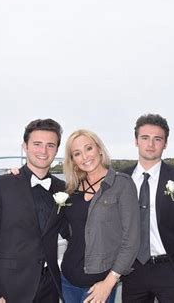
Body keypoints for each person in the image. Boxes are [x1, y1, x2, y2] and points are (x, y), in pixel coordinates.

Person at [0, 118, 66, 303]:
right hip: (10, 289)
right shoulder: (0, 185)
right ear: (25, 146)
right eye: (37, 144)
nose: (43, 151)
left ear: (56, 150)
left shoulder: (62, 188)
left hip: (50, 287)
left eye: (50, 145)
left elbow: (73, 230)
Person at [121, 114, 174, 303]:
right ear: (136, 141)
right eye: (145, 138)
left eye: (158, 139)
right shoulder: (121, 178)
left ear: (165, 143)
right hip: (132, 270)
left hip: (170, 268)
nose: (151, 144)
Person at [60, 129, 140, 303]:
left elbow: (131, 240)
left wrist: (108, 283)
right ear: (73, 160)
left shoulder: (122, 184)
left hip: (98, 284)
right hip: (67, 279)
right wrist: (18, 176)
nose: (85, 156)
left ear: (99, 149)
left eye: (88, 148)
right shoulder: (71, 189)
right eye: (77, 153)